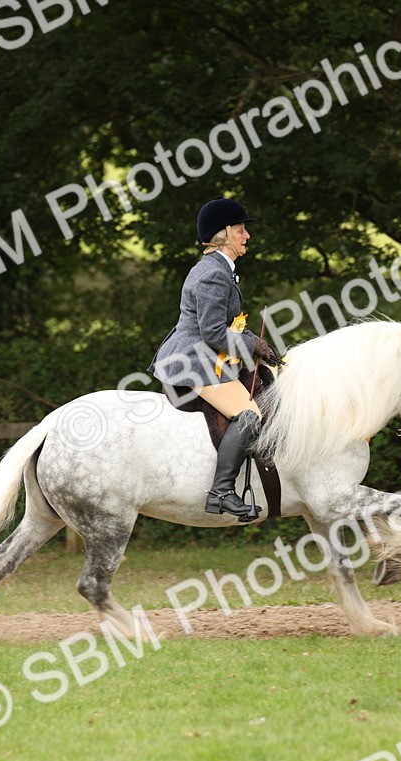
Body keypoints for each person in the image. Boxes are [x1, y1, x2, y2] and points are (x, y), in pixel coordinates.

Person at [148, 196, 281, 521]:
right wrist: (252, 343)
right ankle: (221, 492)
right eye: (240, 230)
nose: (247, 236)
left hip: (208, 357)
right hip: (194, 362)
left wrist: (255, 344)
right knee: (249, 415)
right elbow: (212, 332)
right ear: (222, 235)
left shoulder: (221, 270)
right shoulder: (213, 274)